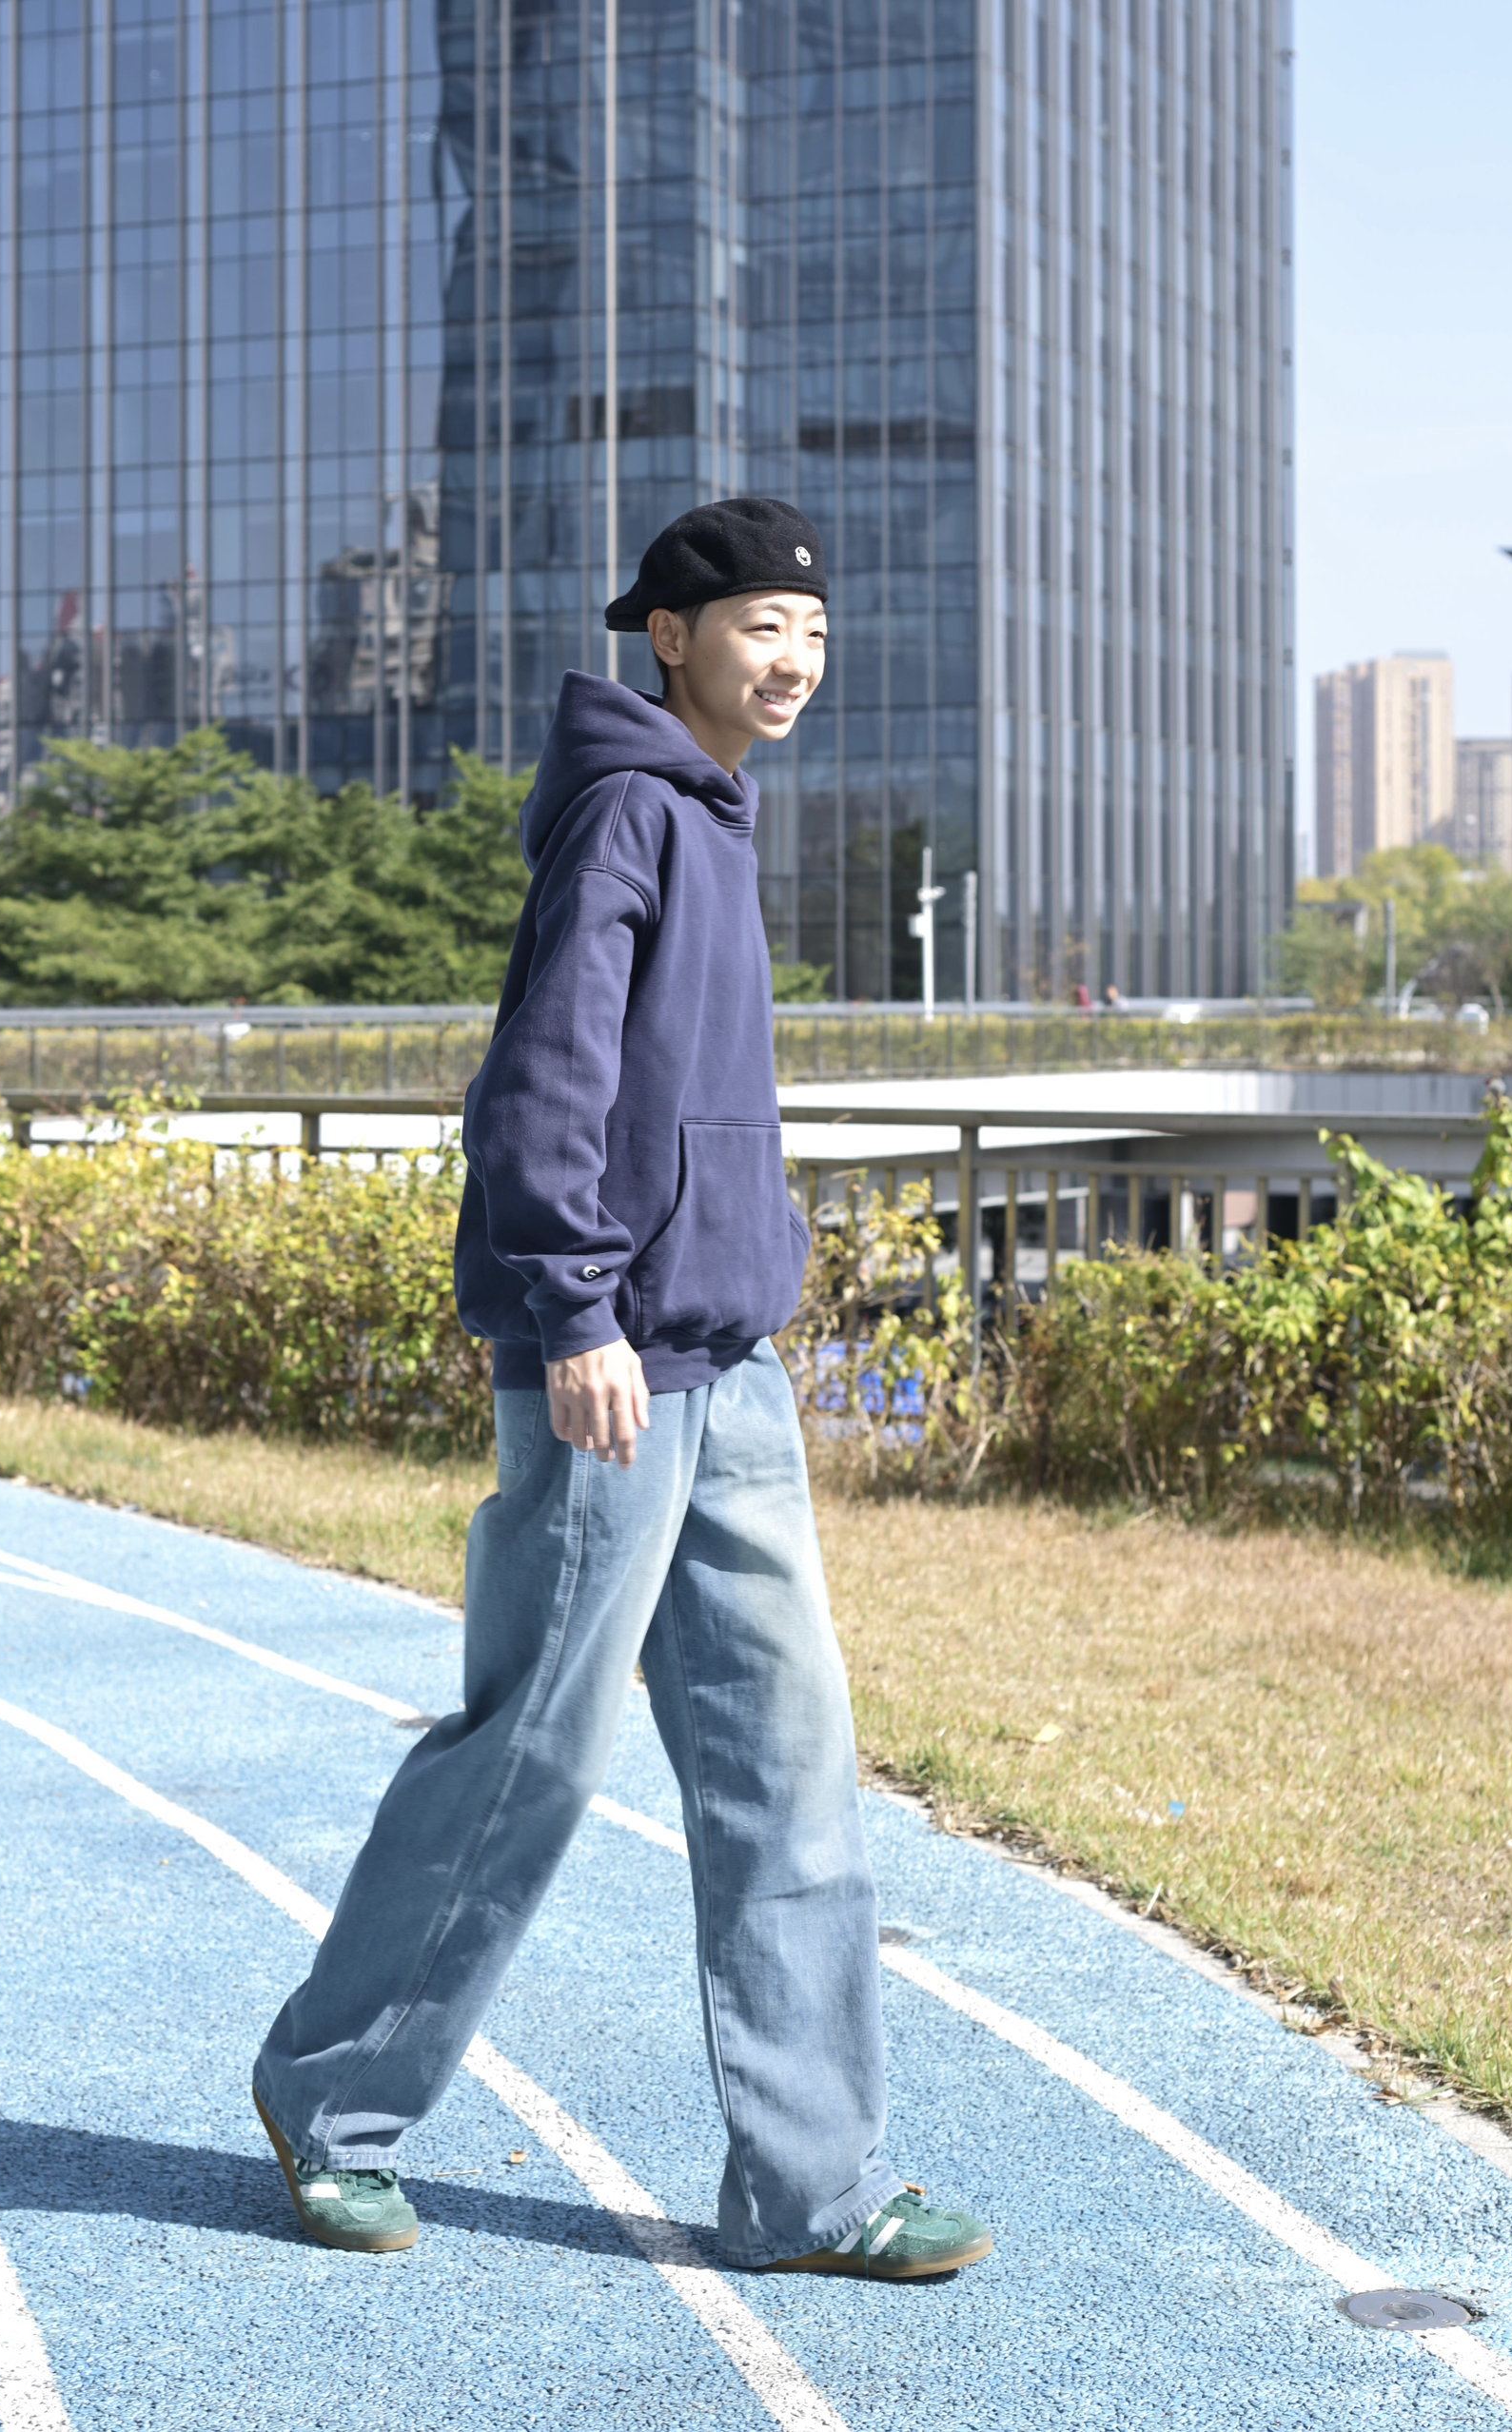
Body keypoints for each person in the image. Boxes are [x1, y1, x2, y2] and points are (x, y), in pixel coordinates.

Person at [251, 497, 994, 2283]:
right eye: (760, 627)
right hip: (615, 1369)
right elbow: (544, 1084)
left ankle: (809, 2187)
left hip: (725, 1364)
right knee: (534, 1748)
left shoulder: (716, 811)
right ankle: (331, 2097)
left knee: (790, 1772)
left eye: (814, 633)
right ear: (670, 637)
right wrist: (578, 1311)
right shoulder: (630, 812)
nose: (794, 660)